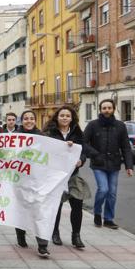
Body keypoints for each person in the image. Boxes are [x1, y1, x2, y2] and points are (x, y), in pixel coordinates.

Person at [83, 99, 133, 230]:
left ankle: (109, 219)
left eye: (109, 108)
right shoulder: (93, 125)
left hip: (114, 164)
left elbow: (126, 147)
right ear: (100, 110)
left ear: (113, 109)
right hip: (98, 164)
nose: (107, 110)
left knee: (112, 193)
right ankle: (98, 213)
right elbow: (84, 143)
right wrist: (95, 154)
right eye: (104, 108)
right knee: (103, 189)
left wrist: (129, 166)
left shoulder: (120, 126)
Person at [43, 106, 88, 249]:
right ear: (57, 117)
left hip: (73, 174)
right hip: (56, 176)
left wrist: (81, 160)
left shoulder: (77, 133)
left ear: (72, 118)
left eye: (67, 116)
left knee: (77, 204)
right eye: (62, 115)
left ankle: (76, 236)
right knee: (57, 205)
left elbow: (83, 151)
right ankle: (55, 232)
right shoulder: (49, 133)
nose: (64, 118)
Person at [14, 110, 51, 258]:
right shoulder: (15, 137)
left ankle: (42, 245)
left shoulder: (43, 137)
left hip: (37, 181)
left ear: (35, 121)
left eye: (31, 119)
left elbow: (53, 154)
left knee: (39, 211)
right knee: (21, 208)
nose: (29, 121)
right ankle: (20, 236)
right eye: (25, 119)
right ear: (21, 121)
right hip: (18, 180)